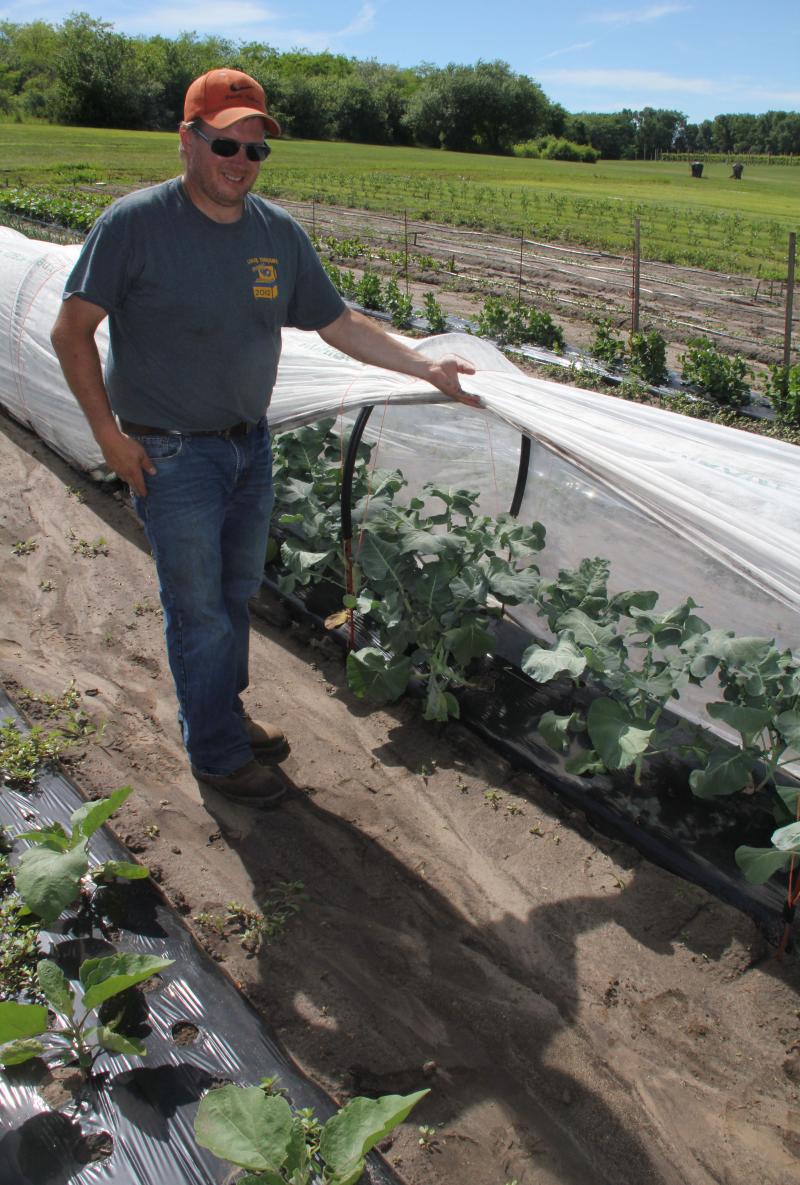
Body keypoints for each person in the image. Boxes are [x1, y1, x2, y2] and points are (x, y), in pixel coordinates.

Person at [50, 68, 476, 809]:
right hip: (170, 454)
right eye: (225, 145)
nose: (240, 164)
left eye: (255, 151)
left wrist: (424, 365)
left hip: (250, 446)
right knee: (199, 609)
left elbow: (338, 323)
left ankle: (226, 712)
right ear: (187, 141)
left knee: (236, 594)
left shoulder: (277, 234)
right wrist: (107, 435)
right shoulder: (135, 225)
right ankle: (215, 753)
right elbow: (71, 331)